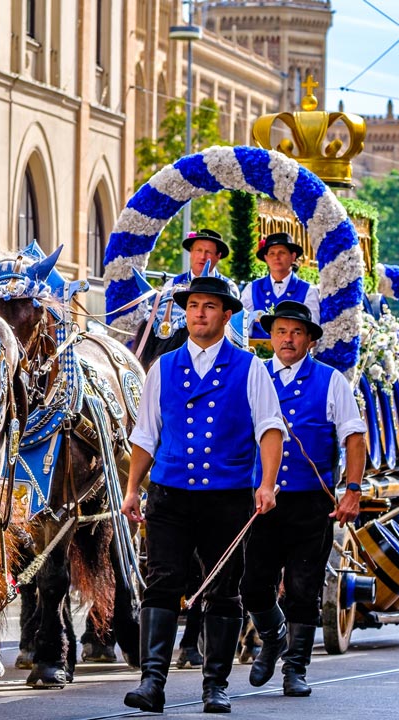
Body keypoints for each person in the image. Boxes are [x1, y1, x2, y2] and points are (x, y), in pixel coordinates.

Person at [121, 276, 285, 714]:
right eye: (193, 305)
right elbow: (145, 434)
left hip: (227, 497)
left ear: (226, 315)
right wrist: (133, 488)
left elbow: (270, 429)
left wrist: (266, 483)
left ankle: (216, 684)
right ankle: (152, 683)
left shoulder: (250, 368)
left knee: (223, 590)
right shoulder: (163, 367)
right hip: (170, 493)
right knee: (161, 584)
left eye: (209, 306)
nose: (198, 313)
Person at [240, 302, 366, 697]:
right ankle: (273, 635)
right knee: (254, 585)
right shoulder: (253, 374)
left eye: (296, 332)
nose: (287, 339)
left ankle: (296, 668)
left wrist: (353, 490)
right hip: (263, 499)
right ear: (271, 337)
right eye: (280, 331)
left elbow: (353, 436)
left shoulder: (331, 381)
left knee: (302, 586)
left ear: (310, 339)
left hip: (311, 502)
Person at [240, 233, 320, 341]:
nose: (276, 257)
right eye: (272, 253)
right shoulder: (252, 288)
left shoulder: (308, 291)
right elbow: (242, 328)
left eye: (282, 252)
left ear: (293, 256)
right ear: (266, 258)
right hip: (258, 353)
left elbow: (312, 334)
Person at [170, 229, 237, 291]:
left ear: (218, 256)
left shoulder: (229, 287)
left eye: (208, 252)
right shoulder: (172, 284)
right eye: (199, 250)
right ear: (191, 251)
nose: (202, 257)